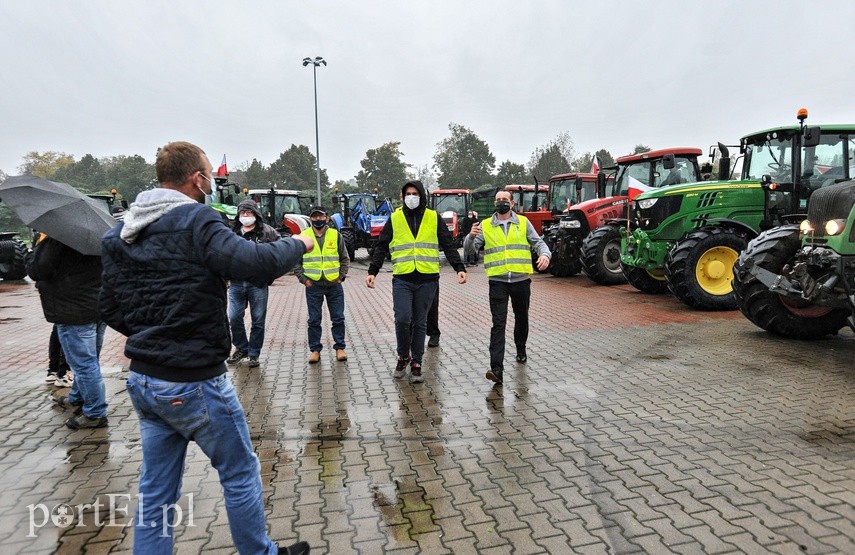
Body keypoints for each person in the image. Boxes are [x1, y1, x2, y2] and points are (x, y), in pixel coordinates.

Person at [99, 141, 312, 555]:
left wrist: (154, 330)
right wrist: (299, 243)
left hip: (145, 379)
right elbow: (253, 262)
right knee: (240, 471)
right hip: (194, 382)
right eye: (209, 176)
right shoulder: (198, 220)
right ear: (197, 179)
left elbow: (109, 307)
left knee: (156, 488)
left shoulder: (119, 234)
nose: (212, 183)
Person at [365, 180, 466, 383]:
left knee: (420, 323)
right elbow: (382, 245)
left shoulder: (432, 217)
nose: (411, 197)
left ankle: (417, 362)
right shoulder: (395, 218)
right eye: (408, 193)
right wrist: (373, 271)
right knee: (402, 319)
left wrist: (459, 267)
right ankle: (404, 355)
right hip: (402, 278)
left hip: (427, 279)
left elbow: (447, 243)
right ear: (403, 196)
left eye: (415, 193)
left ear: (421, 195)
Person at [463, 190, 551, 385]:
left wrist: (545, 255)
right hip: (498, 283)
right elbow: (469, 251)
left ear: (512, 203)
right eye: (498, 200)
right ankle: (496, 370)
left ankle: (521, 348)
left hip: (520, 281)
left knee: (522, 318)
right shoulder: (485, 226)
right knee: (498, 324)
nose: (501, 202)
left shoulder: (523, 222)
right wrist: (470, 237)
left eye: (505, 200)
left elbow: (539, 243)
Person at [27, 234, 108, 429]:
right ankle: (77, 397)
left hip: (72, 310)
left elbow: (37, 270)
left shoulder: (57, 239)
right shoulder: (97, 236)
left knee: (84, 364)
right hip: (97, 306)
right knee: (89, 361)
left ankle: (95, 412)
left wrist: (33, 252)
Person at [225, 199, 281, 368]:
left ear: (256, 214)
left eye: (249, 213)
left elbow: (280, 253)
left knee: (258, 320)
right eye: (243, 213)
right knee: (233, 317)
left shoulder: (268, 233)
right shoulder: (231, 232)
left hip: (258, 284)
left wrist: (270, 275)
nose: (246, 216)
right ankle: (241, 348)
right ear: (238, 215)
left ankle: (254, 353)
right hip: (236, 283)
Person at [294, 206, 349, 363]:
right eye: (314, 217)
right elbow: (296, 261)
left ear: (327, 217)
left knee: (338, 318)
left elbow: (344, 258)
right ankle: (315, 350)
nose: (318, 220)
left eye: (321, 216)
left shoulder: (335, 235)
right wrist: (304, 280)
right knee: (314, 319)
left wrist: (341, 277)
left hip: (334, 284)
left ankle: (340, 348)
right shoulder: (304, 236)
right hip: (314, 285)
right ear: (310, 219)